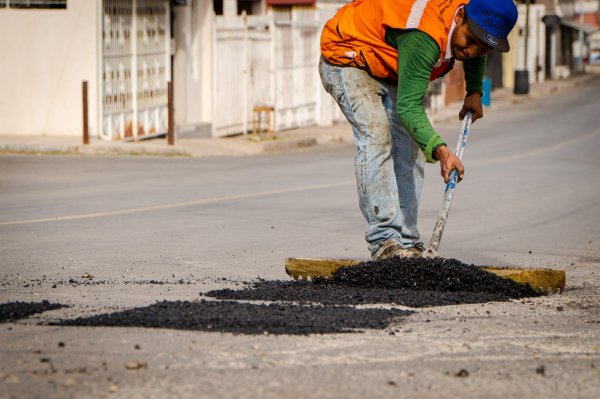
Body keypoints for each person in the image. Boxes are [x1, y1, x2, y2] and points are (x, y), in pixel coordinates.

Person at [319, 0, 518, 260]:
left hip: (385, 64)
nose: (470, 51)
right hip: (348, 55)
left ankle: (407, 242)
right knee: (377, 134)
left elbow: (477, 47)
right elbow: (409, 107)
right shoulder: (425, 35)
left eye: (483, 48)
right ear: (460, 17)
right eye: (470, 39)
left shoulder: (470, 31)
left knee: (410, 149)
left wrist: (474, 92)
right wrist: (442, 150)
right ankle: (385, 241)